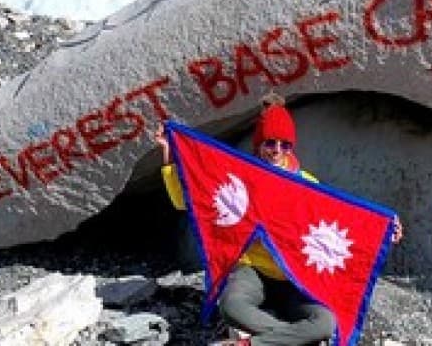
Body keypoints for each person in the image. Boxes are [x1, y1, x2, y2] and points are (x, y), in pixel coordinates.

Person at [156, 94, 402, 346]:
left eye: (285, 145)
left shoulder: (306, 184)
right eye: (270, 143)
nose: (277, 150)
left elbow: (340, 225)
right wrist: (168, 153)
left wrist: (383, 232)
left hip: (296, 276)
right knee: (230, 306)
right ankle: (291, 339)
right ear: (259, 145)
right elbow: (187, 200)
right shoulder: (242, 177)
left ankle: (255, 344)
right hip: (252, 270)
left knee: (326, 322)